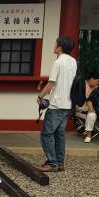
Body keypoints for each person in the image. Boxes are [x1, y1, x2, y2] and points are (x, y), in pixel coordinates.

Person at [37, 36, 78, 172]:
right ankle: (60, 163)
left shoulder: (58, 62)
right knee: (59, 134)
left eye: (55, 44)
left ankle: (52, 163)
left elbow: (51, 83)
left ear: (59, 47)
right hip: (68, 103)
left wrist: (40, 96)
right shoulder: (73, 61)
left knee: (47, 134)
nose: (54, 45)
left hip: (56, 104)